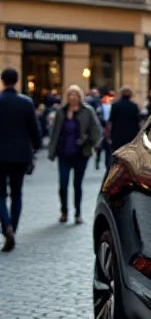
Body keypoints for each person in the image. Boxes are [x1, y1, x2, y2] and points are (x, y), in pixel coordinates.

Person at [0, 68, 41, 252]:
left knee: (0, 194)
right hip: (20, 155)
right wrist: (37, 146)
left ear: (2, 80)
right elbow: (34, 129)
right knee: (17, 193)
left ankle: (6, 225)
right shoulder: (26, 102)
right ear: (17, 81)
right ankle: (13, 230)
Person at [48, 85, 102, 225]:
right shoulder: (61, 112)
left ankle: (78, 213)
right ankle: (64, 211)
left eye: (75, 94)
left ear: (80, 97)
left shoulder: (87, 111)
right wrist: (52, 151)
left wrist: (94, 144)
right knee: (63, 184)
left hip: (80, 154)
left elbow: (95, 130)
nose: (72, 97)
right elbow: (55, 133)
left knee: (77, 184)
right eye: (70, 94)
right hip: (64, 153)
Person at [108, 86, 142, 164]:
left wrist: (109, 135)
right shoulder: (134, 106)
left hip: (117, 135)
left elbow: (111, 121)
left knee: (117, 157)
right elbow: (138, 121)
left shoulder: (115, 105)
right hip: (131, 135)